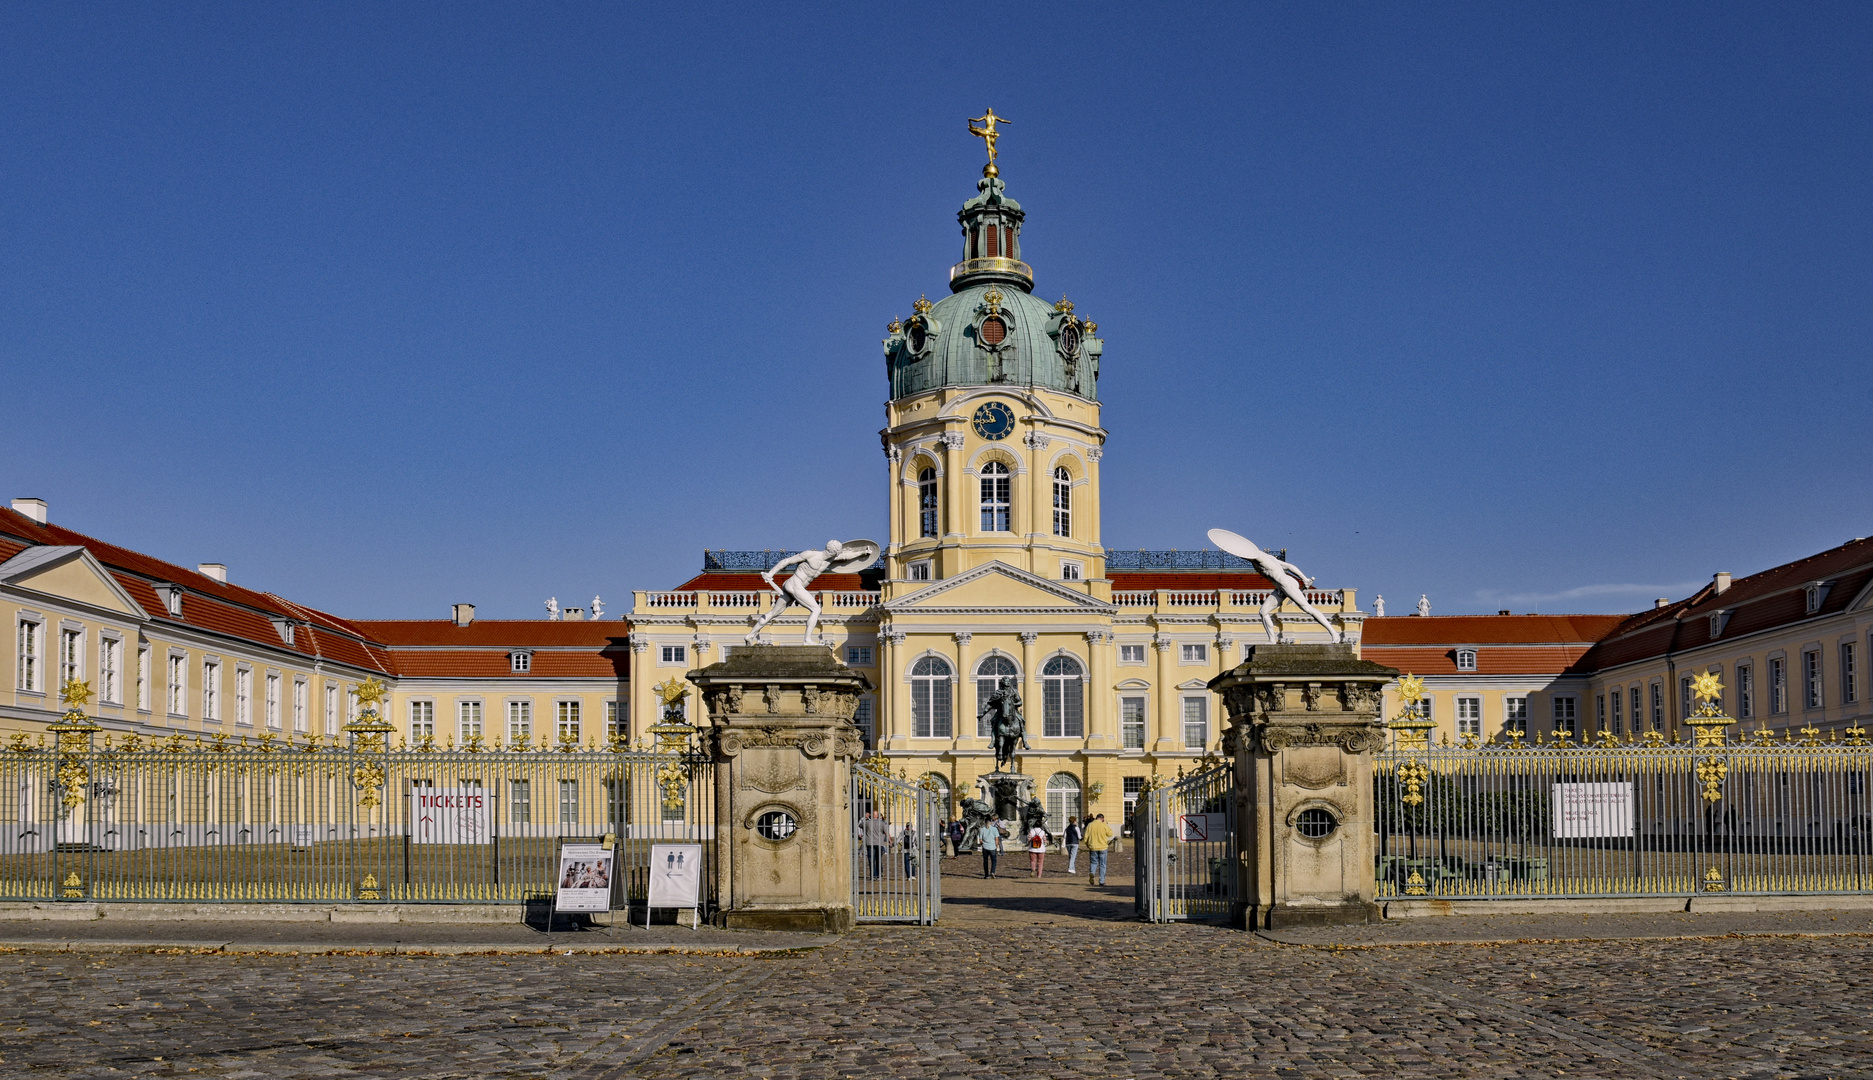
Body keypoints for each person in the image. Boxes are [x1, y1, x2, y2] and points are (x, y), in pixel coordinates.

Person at [1083, 812, 1115, 887]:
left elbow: (1086, 836)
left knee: (1094, 862)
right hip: (1103, 847)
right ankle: (1101, 881)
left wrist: (1087, 844)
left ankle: (1092, 873)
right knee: (1102, 864)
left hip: (1093, 847)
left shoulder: (1090, 825)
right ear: (1102, 819)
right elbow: (1110, 834)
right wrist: (1106, 825)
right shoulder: (1104, 825)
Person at [861, 810, 889, 880]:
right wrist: (890, 841)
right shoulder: (882, 823)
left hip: (870, 843)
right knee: (879, 859)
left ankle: (873, 875)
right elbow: (886, 832)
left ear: (871, 815)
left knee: (871, 860)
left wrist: (865, 818)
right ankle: (879, 875)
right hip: (879, 843)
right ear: (877, 816)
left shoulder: (867, 822)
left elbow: (860, 825)